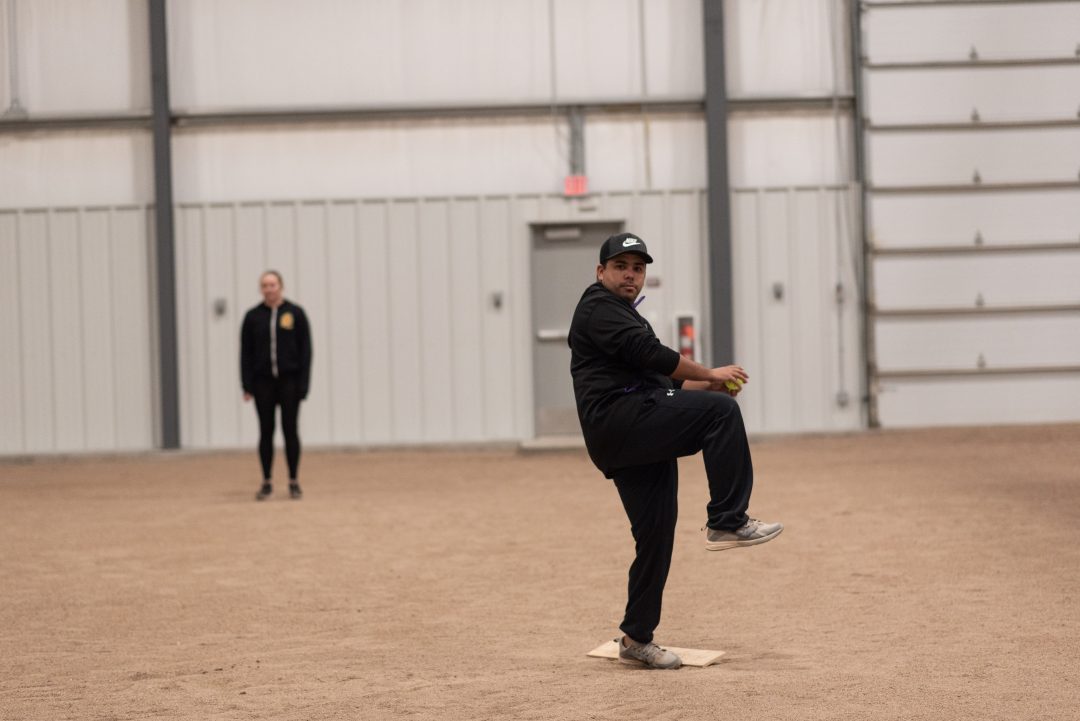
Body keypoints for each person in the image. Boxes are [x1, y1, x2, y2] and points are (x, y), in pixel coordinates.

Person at [568, 232, 783, 670]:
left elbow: (660, 379)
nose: (631, 275)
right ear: (600, 272)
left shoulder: (624, 314)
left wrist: (706, 387)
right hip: (623, 419)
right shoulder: (598, 307)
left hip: (631, 431)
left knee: (656, 535)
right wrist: (711, 376)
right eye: (621, 267)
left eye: (638, 268)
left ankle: (636, 638)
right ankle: (727, 520)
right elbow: (652, 355)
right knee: (721, 414)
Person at [240, 270, 312, 501]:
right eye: (265, 285)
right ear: (260, 289)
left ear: (281, 286)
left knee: (290, 430)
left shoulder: (295, 313)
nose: (269, 289)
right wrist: (247, 385)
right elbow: (245, 353)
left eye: (272, 284)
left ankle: (293, 480)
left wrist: (303, 384)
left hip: (289, 381)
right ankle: (267, 481)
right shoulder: (253, 317)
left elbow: (306, 350)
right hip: (263, 383)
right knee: (266, 431)